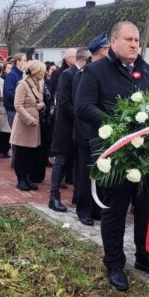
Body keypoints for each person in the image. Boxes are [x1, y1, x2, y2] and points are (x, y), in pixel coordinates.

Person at [76, 21, 149, 291]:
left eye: (137, 40)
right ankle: (114, 263)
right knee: (115, 212)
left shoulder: (147, 71)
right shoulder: (95, 71)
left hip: (146, 155)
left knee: (146, 209)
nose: (134, 44)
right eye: (128, 39)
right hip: (115, 155)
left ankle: (144, 255)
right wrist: (118, 127)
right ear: (113, 42)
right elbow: (83, 107)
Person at [72, 34, 109, 226]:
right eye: (108, 48)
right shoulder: (84, 74)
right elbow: (80, 107)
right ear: (102, 51)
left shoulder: (103, 72)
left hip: (101, 132)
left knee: (100, 172)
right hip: (86, 133)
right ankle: (84, 210)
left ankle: (96, 209)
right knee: (86, 175)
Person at [49, 47, 89, 212]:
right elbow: (64, 101)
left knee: (77, 163)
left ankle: (77, 196)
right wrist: (81, 113)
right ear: (83, 59)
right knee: (61, 161)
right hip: (66, 126)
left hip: (79, 127)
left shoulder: (85, 74)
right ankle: (54, 197)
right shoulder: (67, 74)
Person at [10, 60, 46, 191]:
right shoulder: (23, 84)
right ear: (36, 72)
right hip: (24, 124)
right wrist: (29, 119)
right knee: (21, 153)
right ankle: (21, 179)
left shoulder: (38, 84)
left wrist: (42, 105)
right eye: (42, 71)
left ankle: (27, 177)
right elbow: (18, 105)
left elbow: (40, 101)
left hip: (34, 125)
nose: (44, 73)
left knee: (30, 153)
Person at [3, 53, 27, 129]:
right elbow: (9, 93)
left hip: (21, 109)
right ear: (18, 62)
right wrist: (23, 99)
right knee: (16, 133)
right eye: (24, 60)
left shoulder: (23, 74)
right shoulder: (11, 75)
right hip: (13, 110)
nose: (26, 62)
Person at [0, 61, 13, 159]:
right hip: (2, 107)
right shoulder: (0, 80)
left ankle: (7, 149)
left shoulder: (12, 79)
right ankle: (1, 150)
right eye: (8, 68)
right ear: (4, 69)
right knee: (2, 130)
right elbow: (0, 92)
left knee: (9, 131)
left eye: (11, 68)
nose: (10, 70)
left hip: (10, 106)